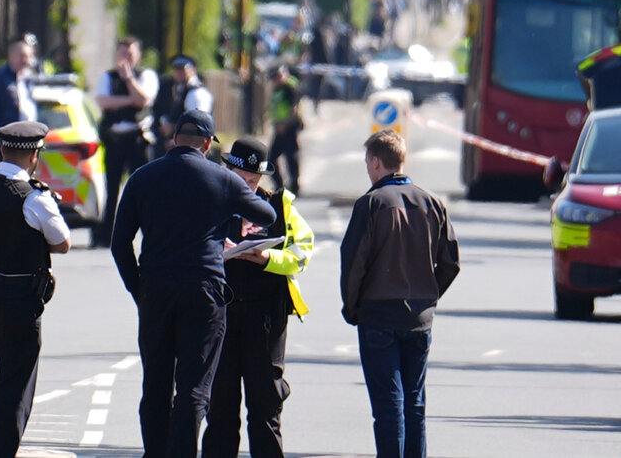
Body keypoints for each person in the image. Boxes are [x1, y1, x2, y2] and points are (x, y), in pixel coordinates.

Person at [110, 110, 276, 458]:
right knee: (194, 388)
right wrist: (235, 212)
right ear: (206, 144)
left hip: (155, 289)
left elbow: (119, 243)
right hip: (204, 290)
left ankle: (155, 452)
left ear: (174, 139)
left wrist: (137, 288)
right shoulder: (222, 179)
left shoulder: (142, 178)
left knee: (155, 383)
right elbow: (267, 215)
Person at [339, 129, 460, 458]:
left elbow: (353, 264)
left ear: (376, 162)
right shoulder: (432, 203)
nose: (367, 168)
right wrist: (428, 296)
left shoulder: (371, 203)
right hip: (418, 318)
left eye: (368, 162)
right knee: (415, 403)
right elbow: (450, 263)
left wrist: (353, 308)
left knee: (388, 406)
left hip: (378, 315)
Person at [0, 121, 72, 458]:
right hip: (17, 301)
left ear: (2, 149)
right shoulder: (34, 197)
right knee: (14, 383)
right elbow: (62, 243)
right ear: (34, 155)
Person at [202, 138, 314, 458]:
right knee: (220, 411)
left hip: (266, 319)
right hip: (220, 314)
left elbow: (301, 252)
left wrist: (268, 260)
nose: (247, 188)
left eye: (253, 181)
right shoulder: (210, 202)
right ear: (227, 170)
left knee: (265, 407)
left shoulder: (281, 204)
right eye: (241, 180)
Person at [93, 37, 159, 248]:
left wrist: (129, 80)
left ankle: (151, 233)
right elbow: (103, 101)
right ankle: (105, 236)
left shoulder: (146, 76)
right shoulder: (108, 77)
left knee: (143, 189)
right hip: (114, 139)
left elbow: (144, 100)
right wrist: (130, 100)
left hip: (138, 139)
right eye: (123, 53)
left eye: (130, 53)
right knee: (111, 189)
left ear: (138, 55)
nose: (126, 58)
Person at [0, 39, 37, 164]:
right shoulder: (0, 78)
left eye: (29, 57)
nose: (27, 61)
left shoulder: (26, 79)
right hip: (8, 146)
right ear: (11, 56)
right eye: (23, 56)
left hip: (26, 144)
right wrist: (0, 140)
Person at [152, 55, 214, 157]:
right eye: (176, 69)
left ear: (193, 70)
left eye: (183, 69)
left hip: (192, 148)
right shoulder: (176, 89)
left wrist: (173, 129)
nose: (179, 73)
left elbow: (198, 123)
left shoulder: (197, 93)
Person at [267, 65, 303, 195]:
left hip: (289, 127)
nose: (275, 81)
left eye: (277, 77)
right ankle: (279, 185)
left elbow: (294, 109)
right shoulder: (278, 89)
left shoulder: (289, 88)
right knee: (271, 158)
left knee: (291, 157)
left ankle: (294, 186)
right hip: (279, 127)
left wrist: (284, 124)